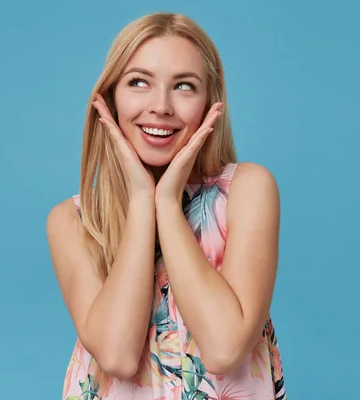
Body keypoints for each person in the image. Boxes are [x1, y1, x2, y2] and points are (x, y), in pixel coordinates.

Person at [46, 12, 287, 400]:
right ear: (110, 97)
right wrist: (143, 200)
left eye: (184, 86)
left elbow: (225, 350)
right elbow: (118, 357)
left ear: (211, 102)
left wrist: (169, 206)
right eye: (139, 82)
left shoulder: (248, 191)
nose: (160, 106)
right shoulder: (73, 221)